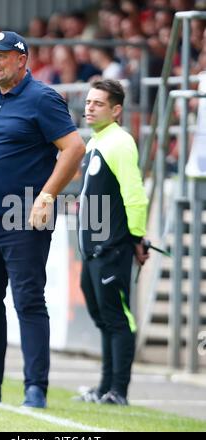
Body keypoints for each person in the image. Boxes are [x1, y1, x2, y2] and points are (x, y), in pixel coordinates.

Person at [0, 31, 85, 408]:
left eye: (2, 55)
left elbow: (74, 147)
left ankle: (35, 388)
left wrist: (46, 195)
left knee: (27, 301)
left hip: (22, 216)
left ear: (22, 60)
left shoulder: (42, 99)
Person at [77, 80, 149, 406]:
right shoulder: (96, 142)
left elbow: (134, 195)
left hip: (112, 247)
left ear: (116, 110)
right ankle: (104, 387)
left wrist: (135, 237)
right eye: (88, 102)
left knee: (118, 318)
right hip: (93, 250)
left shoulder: (119, 142)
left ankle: (118, 390)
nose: (89, 107)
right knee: (103, 317)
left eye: (98, 103)